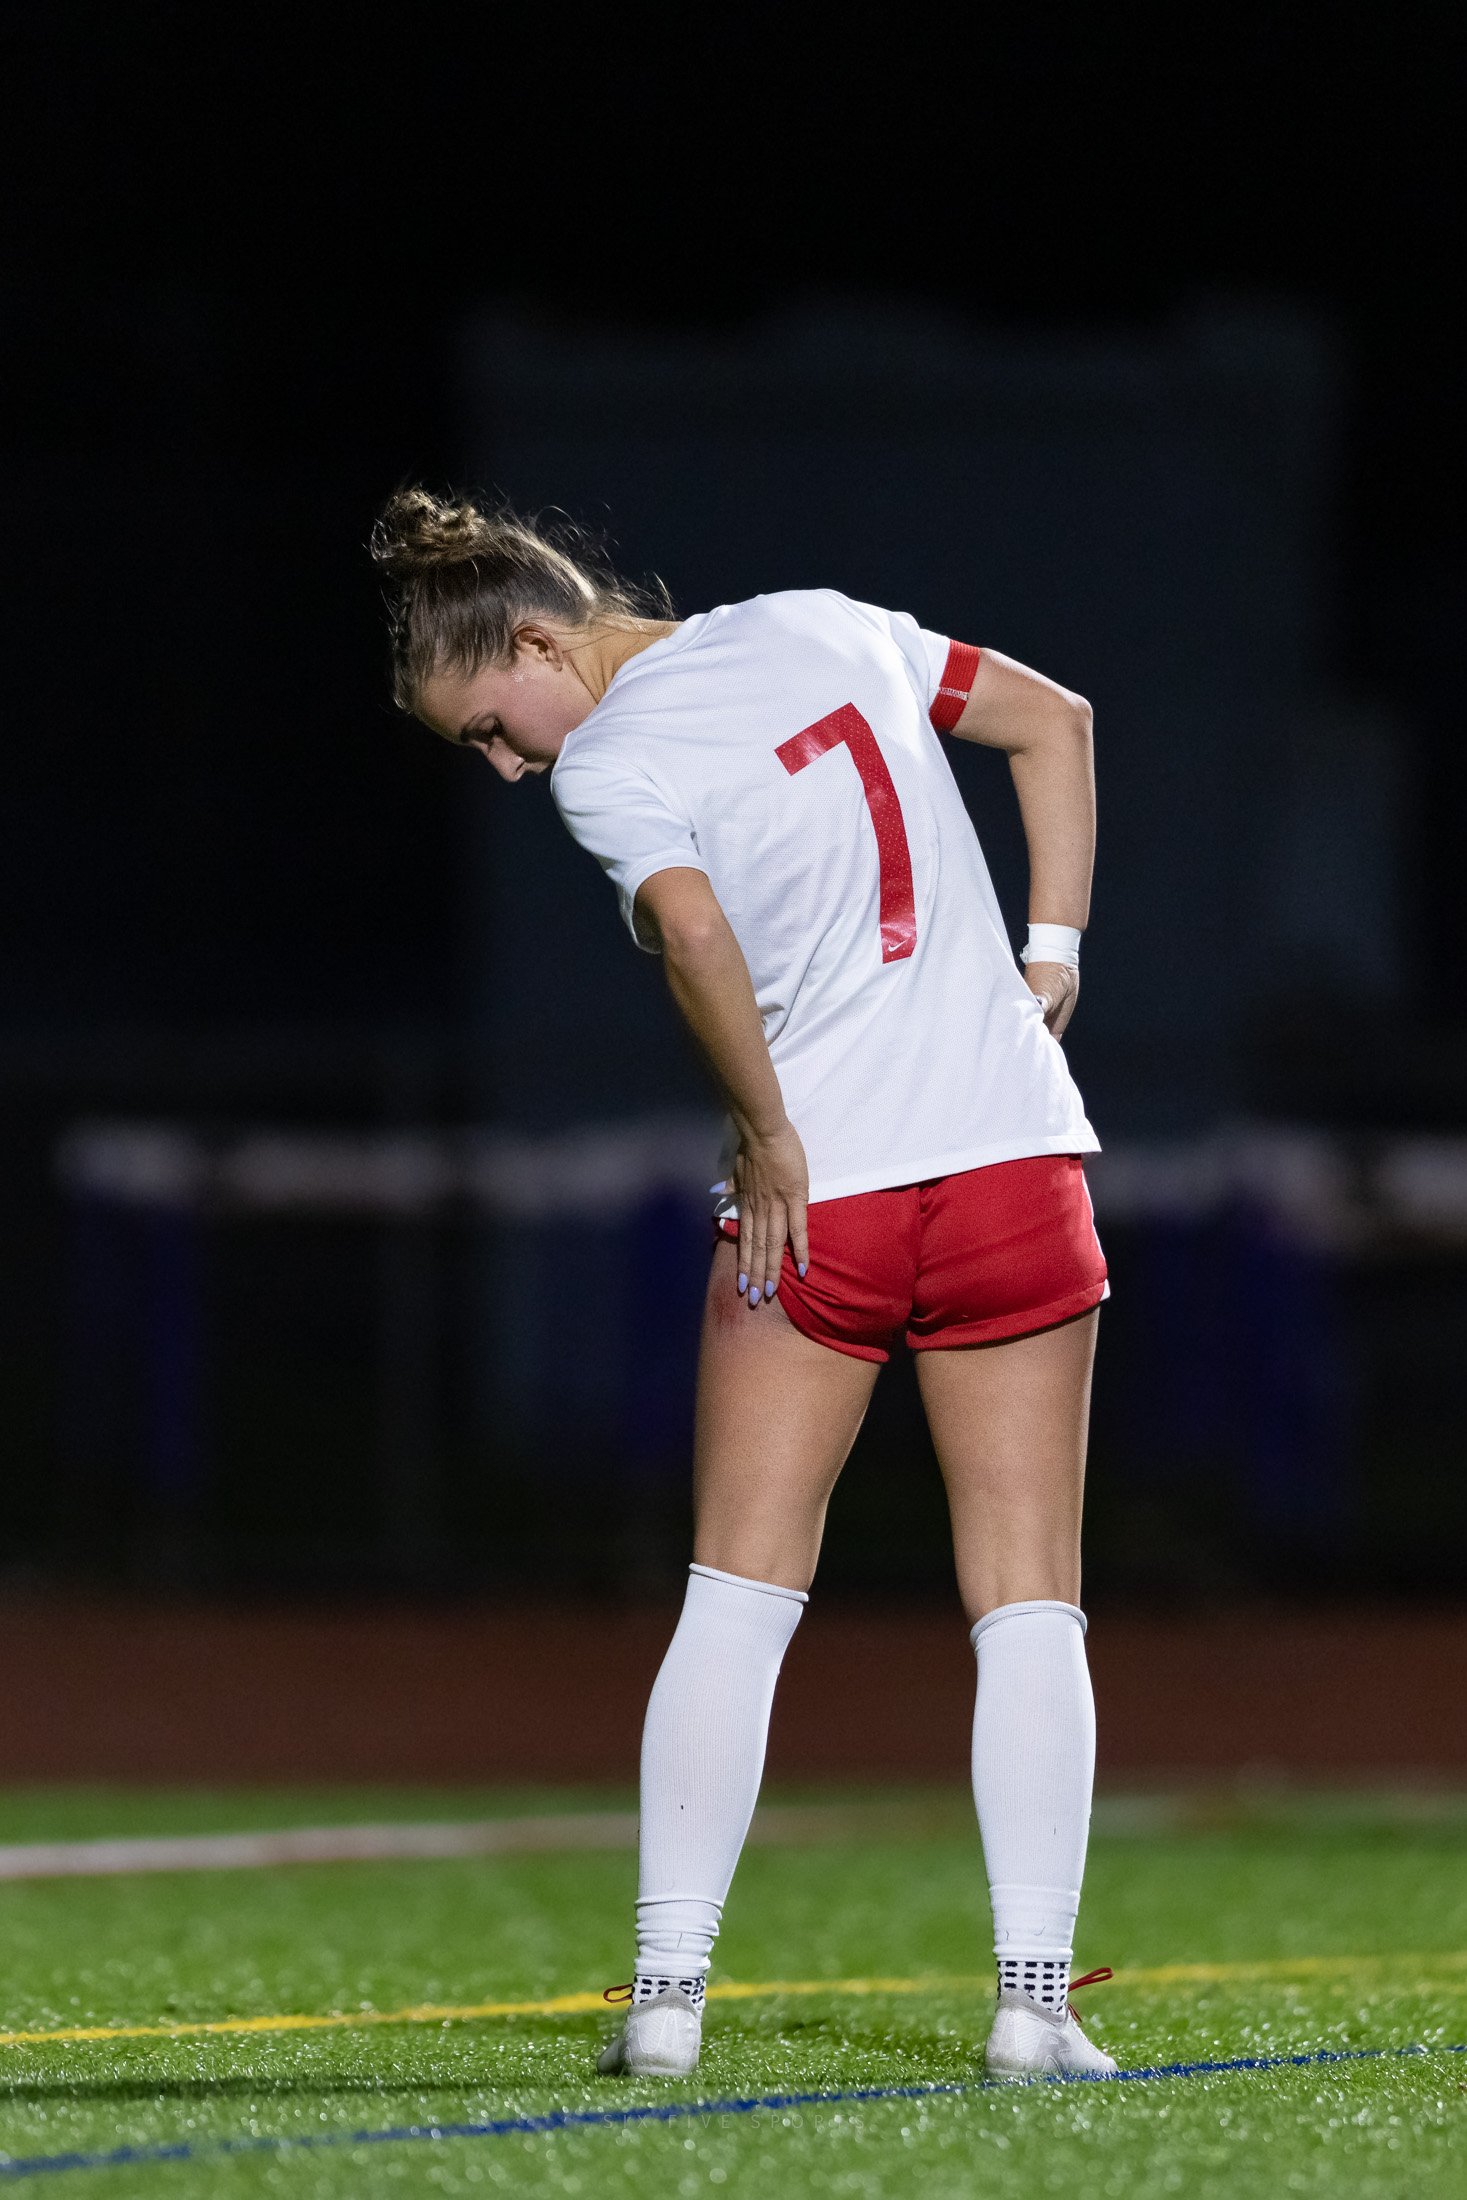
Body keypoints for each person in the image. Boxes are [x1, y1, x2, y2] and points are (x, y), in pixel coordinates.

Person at [370, 488, 1116, 2083]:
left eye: (491, 727)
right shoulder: (828, 623)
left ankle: (665, 2001)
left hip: (824, 1198)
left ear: (540, 641)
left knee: (738, 1593)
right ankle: (1032, 2006)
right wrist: (1050, 952)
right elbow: (1057, 722)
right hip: (1010, 1166)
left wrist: (767, 1131)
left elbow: (697, 934)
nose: (507, 767)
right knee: (1029, 1594)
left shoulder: (614, 758)